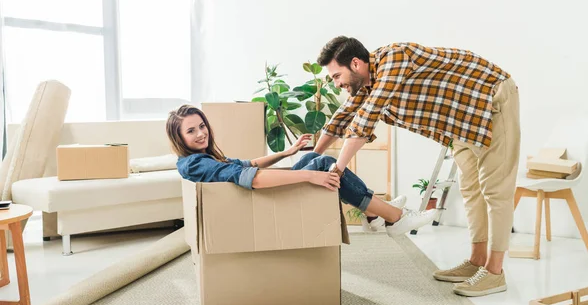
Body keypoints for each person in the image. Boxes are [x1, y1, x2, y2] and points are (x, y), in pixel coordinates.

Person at [313, 37, 520, 297]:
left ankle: (495, 273)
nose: (336, 83)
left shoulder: (394, 59)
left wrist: (337, 170)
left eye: (336, 76)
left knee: (495, 190)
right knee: (471, 190)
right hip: (461, 119)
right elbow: (341, 118)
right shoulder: (365, 82)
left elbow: (366, 118)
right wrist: (311, 159)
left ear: (356, 63)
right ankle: (477, 261)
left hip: (491, 100)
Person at [166, 104, 437, 239]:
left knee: (313, 156)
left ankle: (373, 212)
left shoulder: (202, 158)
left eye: (201, 126)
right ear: (179, 137)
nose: (201, 133)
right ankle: (392, 217)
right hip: (256, 205)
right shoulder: (195, 164)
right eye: (191, 130)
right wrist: (308, 175)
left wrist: (286, 153)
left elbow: (246, 165)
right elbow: (253, 180)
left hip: (253, 199)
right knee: (319, 164)